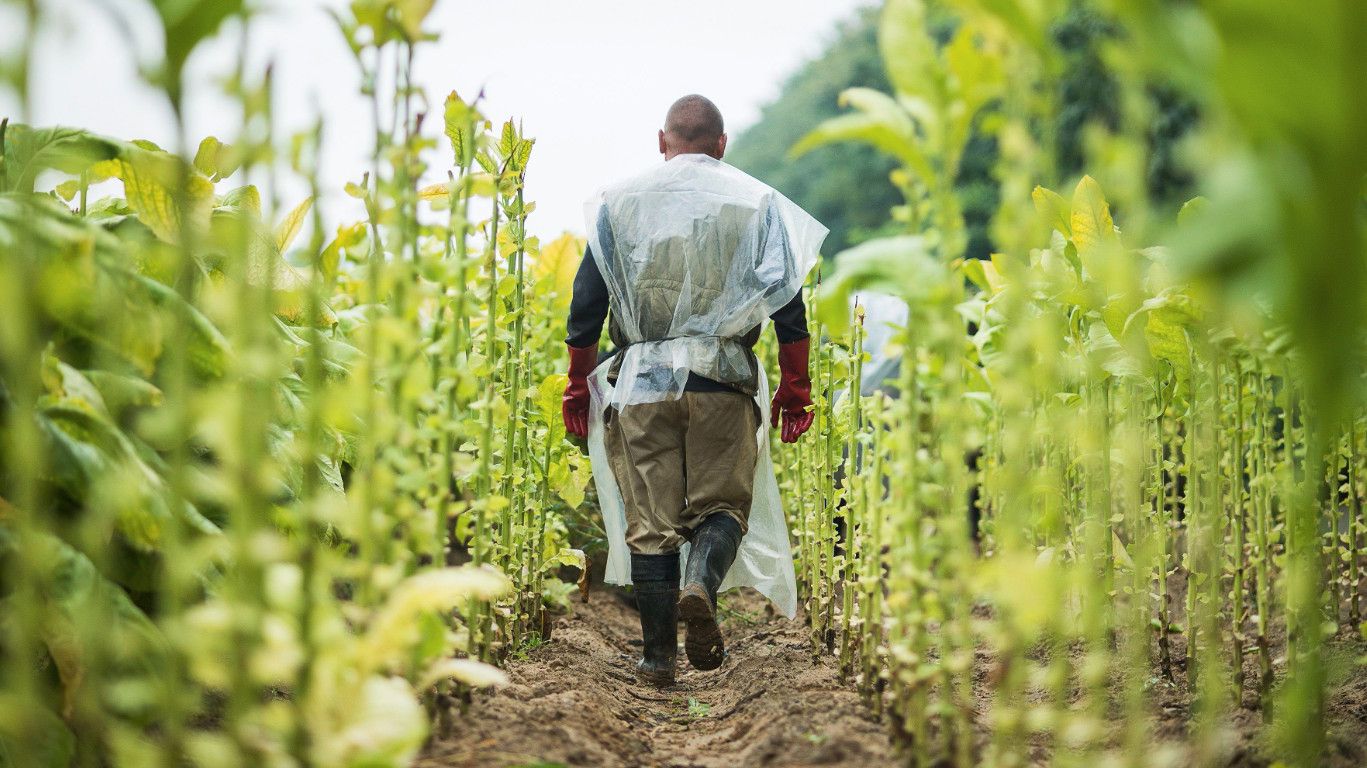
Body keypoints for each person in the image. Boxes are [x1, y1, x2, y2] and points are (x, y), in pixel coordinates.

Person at [561, 94, 827, 686]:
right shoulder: (754, 204)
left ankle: (658, 659)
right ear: (721, 145)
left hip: (641, 388)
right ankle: (701, 584)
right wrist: (795, 387)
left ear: (663, 142)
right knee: (723, 507)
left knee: (650, 524)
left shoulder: (618, 206)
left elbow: (585, 311)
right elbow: (790, 310)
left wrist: (579, 388)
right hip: (723, 385)